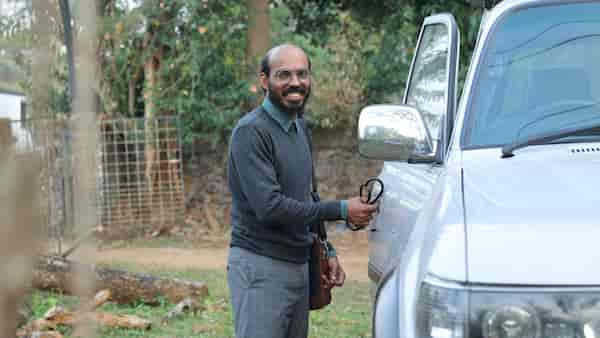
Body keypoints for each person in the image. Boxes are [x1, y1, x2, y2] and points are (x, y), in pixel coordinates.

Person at [226, 43, 378, 338]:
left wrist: (326, 248)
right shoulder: (251, 132)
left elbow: (309, 196)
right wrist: (342, 210)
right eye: (283, 74)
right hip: (261, 267)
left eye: (302, 74)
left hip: (299, 264)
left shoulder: (299, 128)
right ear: (264, 80)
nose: (295, 82)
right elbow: (270, 208)